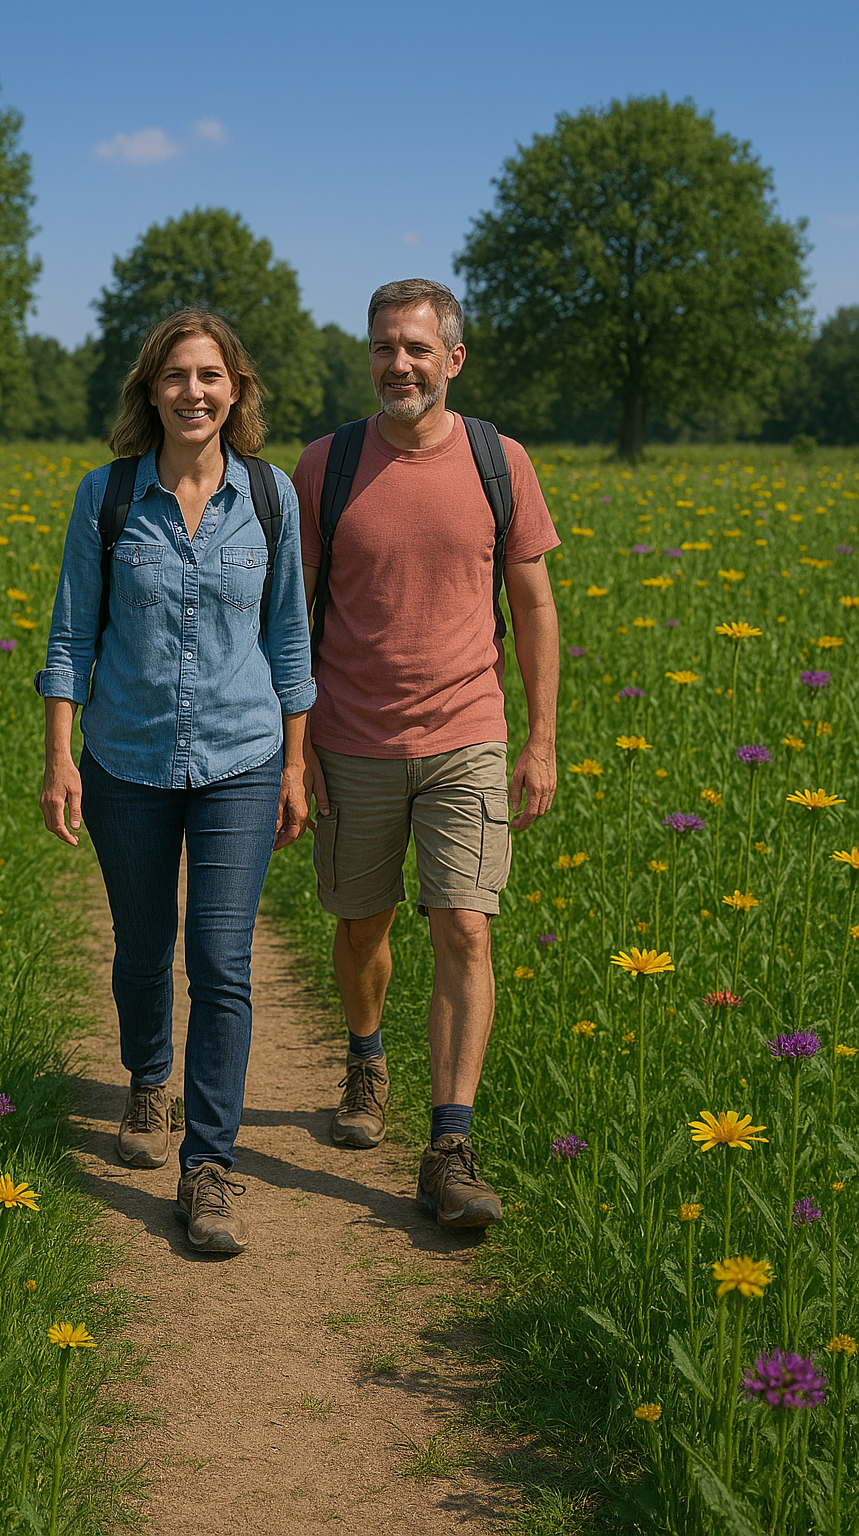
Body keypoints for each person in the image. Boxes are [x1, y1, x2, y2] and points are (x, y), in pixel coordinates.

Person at [37, 308, 315, 1255]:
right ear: (150, 390)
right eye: (175, 376)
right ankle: (146, 1080)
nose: (193, 392)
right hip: (128, 759)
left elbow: (289, 641)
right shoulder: (108, 497)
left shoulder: (269, 499)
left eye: (211, 376)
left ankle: (210, 1166)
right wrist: (59, 759)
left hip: (242, 759)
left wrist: (297, 763)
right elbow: (71, 638)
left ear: (236, 391)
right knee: (144, 943)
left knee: (223, 958)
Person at [293, 278, 559, 1230]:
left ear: (453, 358)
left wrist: (539, 739)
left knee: (466, 927)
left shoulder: (500, 462)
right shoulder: (326, 465)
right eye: (381, 348)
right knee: (363, 923)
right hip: (351, 737)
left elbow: (532, 604)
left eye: (414, 348)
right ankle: (367, 1058)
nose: (396, 365)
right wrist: (298, 746)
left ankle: (449, 1143)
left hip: (468, 735)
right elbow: (292, 615)